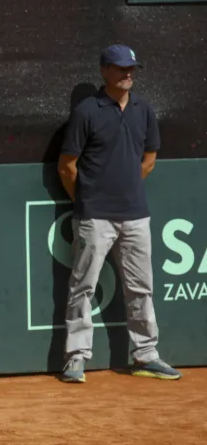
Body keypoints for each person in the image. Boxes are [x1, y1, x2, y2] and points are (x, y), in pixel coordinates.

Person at [57, 45, 181, 384]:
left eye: (132, 68)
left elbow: (149, 159)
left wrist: (124, 188)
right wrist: (87, 198)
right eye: (121, 67)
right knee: (84, 287)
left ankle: (146, 355)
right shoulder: (87, 111)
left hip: (136, 216)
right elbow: (67, 166)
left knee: (141, 287)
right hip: (95, 216)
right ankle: (76, 358)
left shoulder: (144, 110)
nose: (128, 73)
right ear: (104, 71)